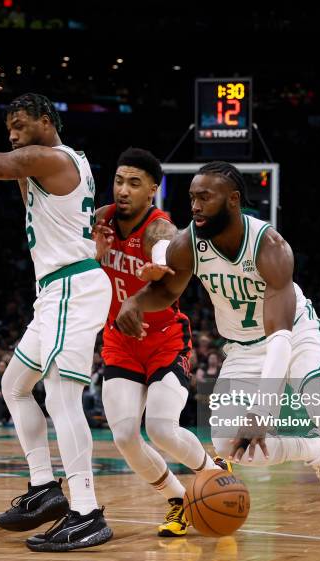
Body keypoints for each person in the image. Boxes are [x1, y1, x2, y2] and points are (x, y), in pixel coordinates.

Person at [116, 161, 320, 561]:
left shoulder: (270, 246)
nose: (194, 205)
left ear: (232, 200)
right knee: (229, 445)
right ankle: (315, 452)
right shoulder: (190, 243)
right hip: (243, 346)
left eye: (204, 197)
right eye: (192, 196)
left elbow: (280, 335)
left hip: (294, 334)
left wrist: (262, 410)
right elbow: (164, 288)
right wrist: (136, 301)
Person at [0, 59, 113, 552]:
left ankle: (87, 511)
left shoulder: (50, 158)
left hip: (72, 287)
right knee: (15, 385)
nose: (15, 137)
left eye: (19, 127)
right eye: (10, 129)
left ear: (46, 122)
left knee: (61, 395)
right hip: (56, 290)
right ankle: (45, 488)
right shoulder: (59, 162)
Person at [94, 147, 231, 537]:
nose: (123, 190)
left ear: (152, 190)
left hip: (164, 339)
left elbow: (162, 244)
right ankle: (178, 499)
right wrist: (92, 253)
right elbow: (75, 261)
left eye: (134, 183)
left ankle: (211, 472)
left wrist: (157, 262)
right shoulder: (100, 220)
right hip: (119, 341)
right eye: (119, 181)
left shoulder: (161, 227)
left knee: (160, 428)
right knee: (122, 436)